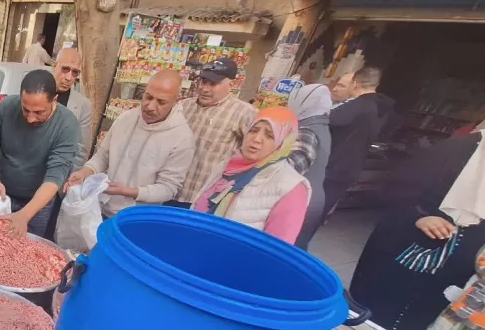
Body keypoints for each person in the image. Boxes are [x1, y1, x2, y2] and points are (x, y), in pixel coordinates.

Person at [350, 132, 485, 330]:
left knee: (422, 323)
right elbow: (397, 189)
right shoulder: (458, 149)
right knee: (377, 311)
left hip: (462, 263)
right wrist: (420, 216)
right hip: (409, 246)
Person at [65, 70, 195, 217]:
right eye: (148, 97)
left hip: (137, 217)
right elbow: (103, 156)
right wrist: (85, 172)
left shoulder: (182, 138)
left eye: (161, 102)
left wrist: (129, 192)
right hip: (100, 206)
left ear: (176, 101)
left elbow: (168, 188)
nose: (150, 106)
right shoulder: (126, 119)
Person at [0, 70, 81, 238]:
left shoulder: (67, 124)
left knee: (26, 247)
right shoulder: (7, 107)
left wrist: (25, 215)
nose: (30, 118)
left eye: (39, 112)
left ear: (54, 100)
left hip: (38, 205)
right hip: (2, 196)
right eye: (25, 110)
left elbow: (55, 176)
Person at [192, 106, 311, 245]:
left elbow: (276, 247)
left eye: (270, 135)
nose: (256, 139)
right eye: (253, 130)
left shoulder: (291, 186)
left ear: (284, 142)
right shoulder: (228, 166)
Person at [175, 57, 258, 205]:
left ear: (231, 84)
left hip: (205, 200)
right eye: (203, 81)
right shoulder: (183, 106)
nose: (204, 89)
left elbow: (254, 155)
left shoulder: (244, 113)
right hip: (171, 191)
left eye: (213, 84)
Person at [321, 66, 396, 225]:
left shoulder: (359, 105)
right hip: (350, 168)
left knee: (311, 214)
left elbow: (326, 121)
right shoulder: (382, 109)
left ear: (354, 83)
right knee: (320, 213)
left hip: (332, 167)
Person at [287, 83, 333, 250]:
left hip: (302, 201)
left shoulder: (307, 130)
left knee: (289, 249)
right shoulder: (321, 126)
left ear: (305, 102)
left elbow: (293, 166)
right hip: (312, 197)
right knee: (297, 247)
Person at [53, 47, 94, 165]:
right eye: (65, 69)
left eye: (75, 72)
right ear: (54, 66)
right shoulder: (36, 92)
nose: (69, 77)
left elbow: (81, 152)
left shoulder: (83, 105)